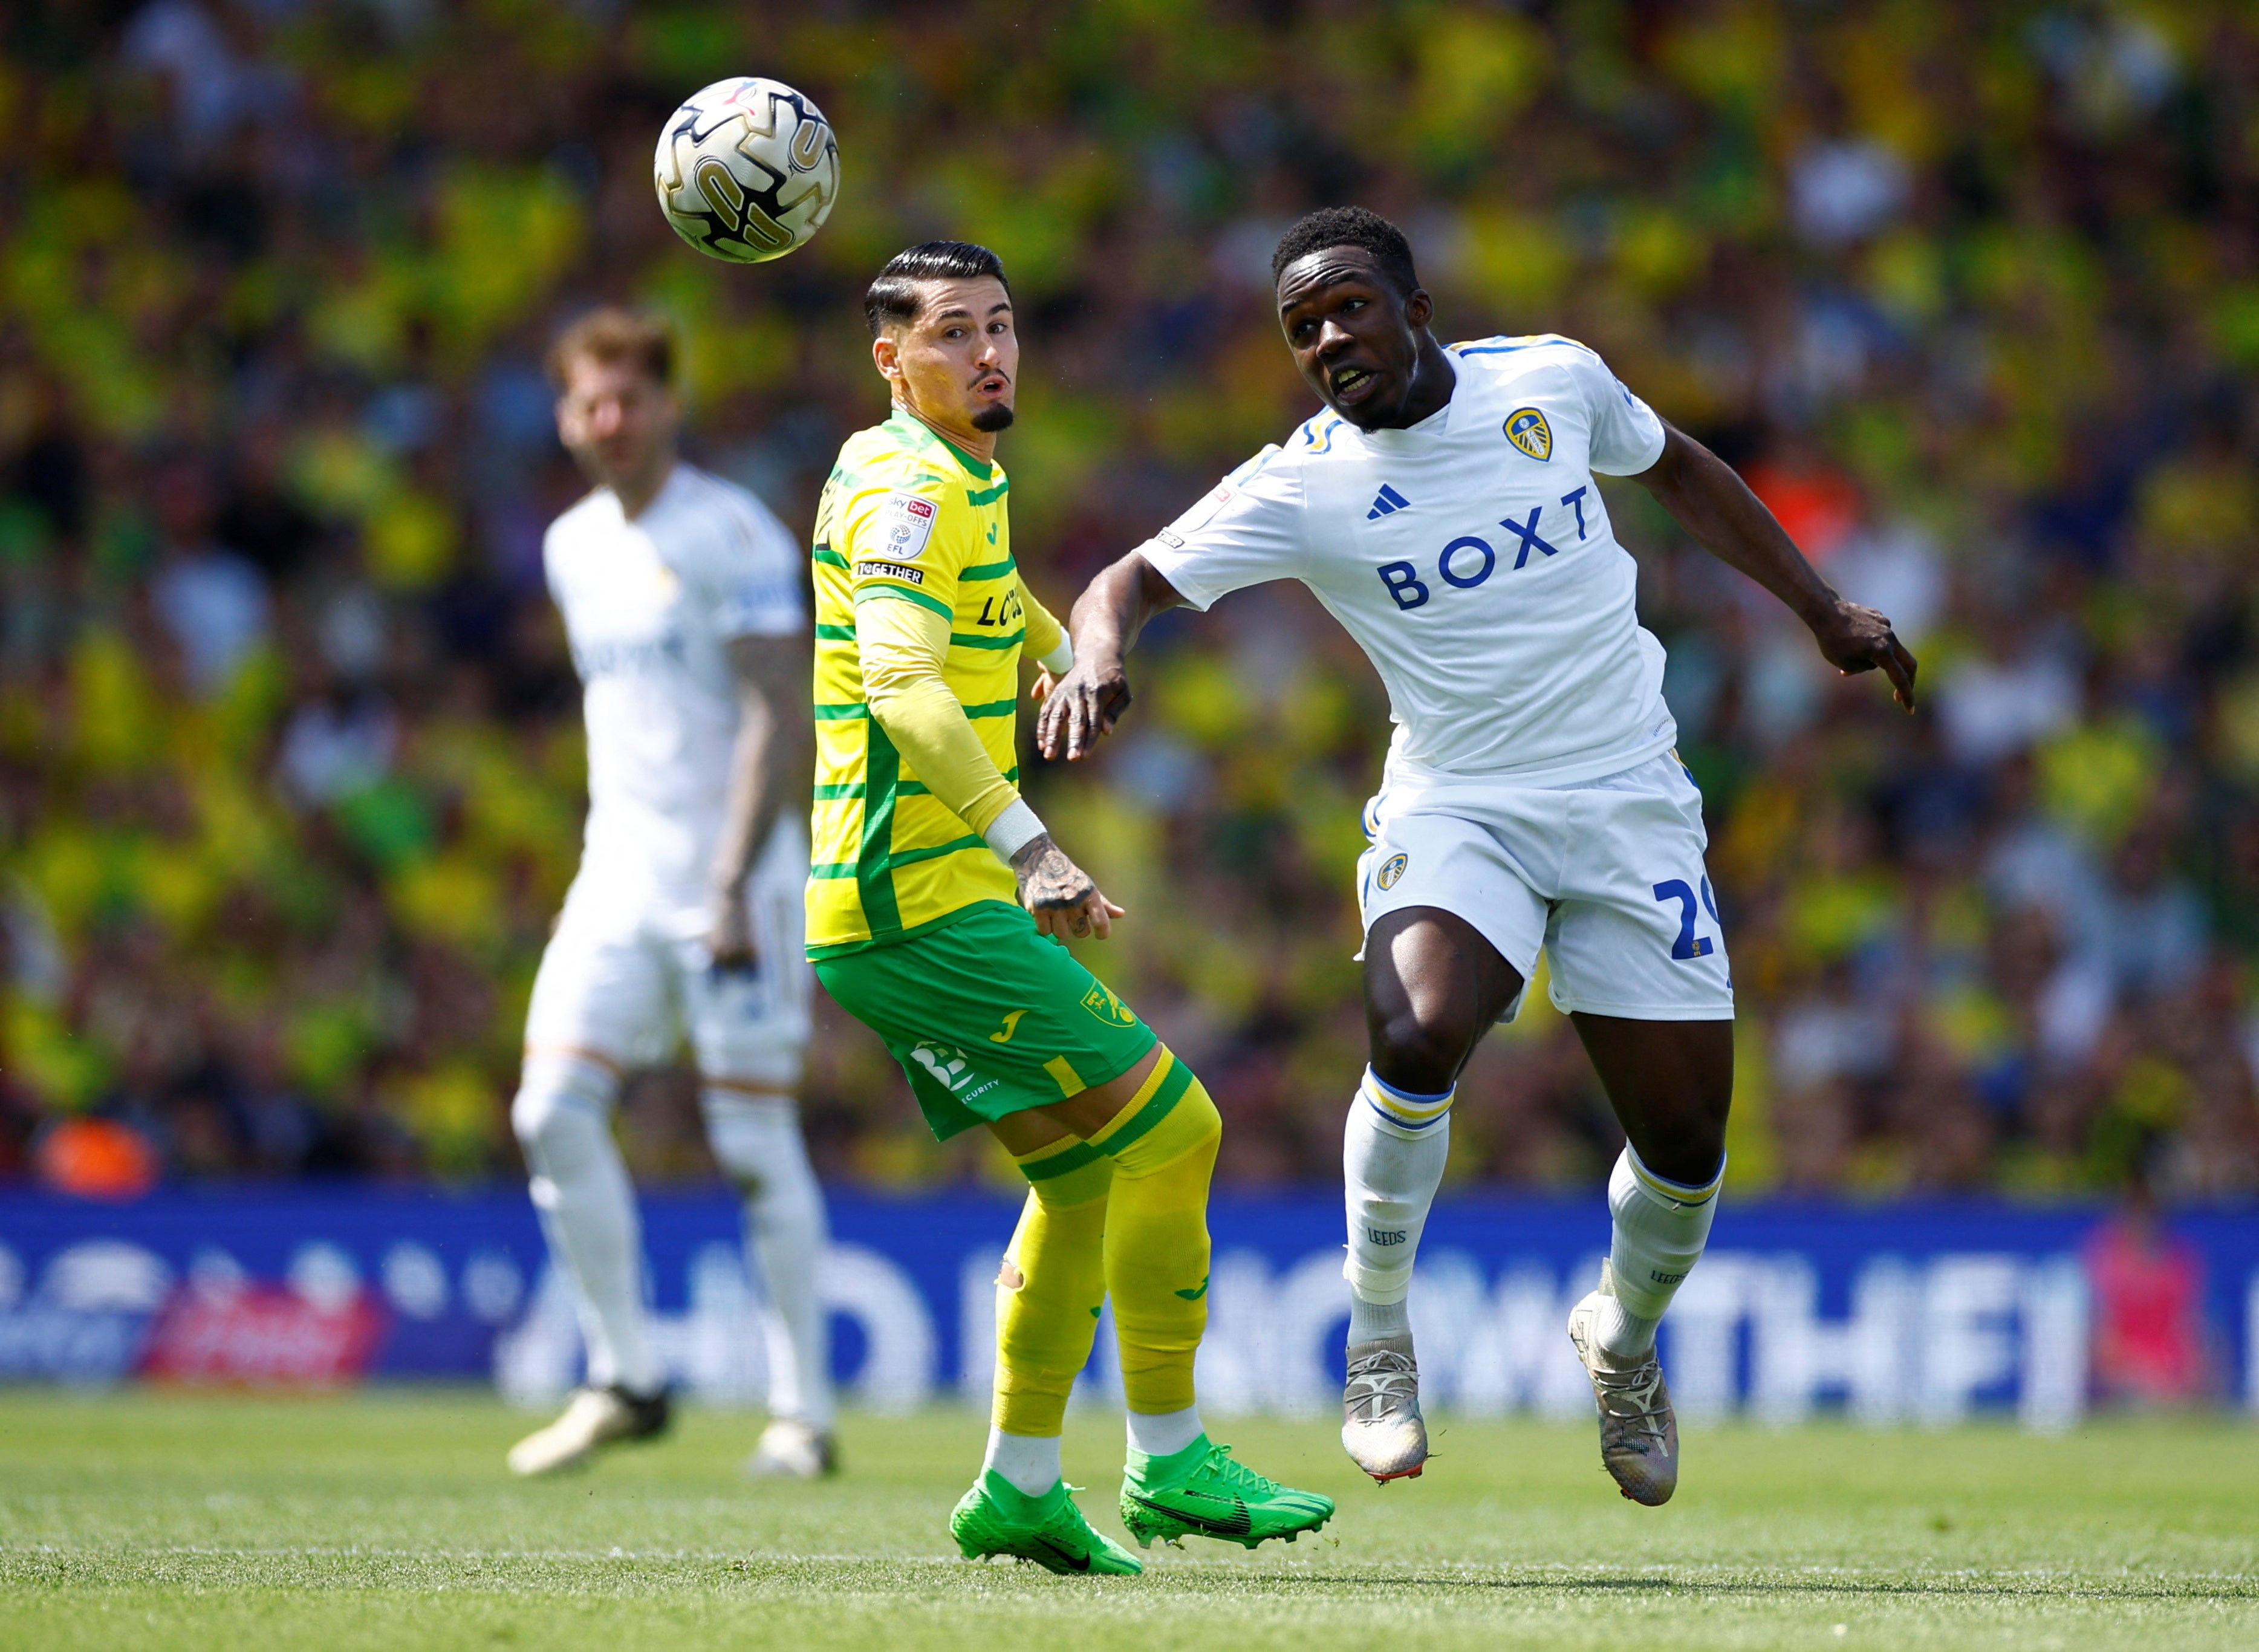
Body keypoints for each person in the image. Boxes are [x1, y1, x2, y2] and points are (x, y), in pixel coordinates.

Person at [1039, 206, 1917, 1506]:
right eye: (1301, 329)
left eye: (1346, 307)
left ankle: (1617, 1336)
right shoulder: (1305, 480)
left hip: (1626, 799)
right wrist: (1098, 654)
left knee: (1683, 1147)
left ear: (1414, 306)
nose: (1328, 339)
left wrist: (1820, 609)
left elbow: (1676, 469)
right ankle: (1377, 1332)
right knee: (1415, 1032)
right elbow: (1123, 579)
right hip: (1459, 805)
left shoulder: (1547, 383)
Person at [809, 241, 1334, 1574]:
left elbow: (985, 608)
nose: (985, 352)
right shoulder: (908, 491)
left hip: (914, 900)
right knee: (1176, 1129)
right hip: (915, 899)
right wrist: (1032, 845)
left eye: (999, 326)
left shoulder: (960, 477)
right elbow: (903, 687)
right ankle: (1167, 1461)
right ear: (890, 361)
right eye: (946, 335)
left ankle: (1019, 1487)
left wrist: (1061, 650)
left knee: (1085, 1170)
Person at [504, 310, 836, 1480]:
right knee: (548, 1111)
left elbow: (775, 711)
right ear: (564, 417)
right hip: (615, 875)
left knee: (751, 1136)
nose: (609, 419)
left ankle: (802, 1412)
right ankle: (625, 1377)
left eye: (629, 398)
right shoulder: (567, 545)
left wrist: (732, 876)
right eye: (589, 401)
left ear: (666, 406)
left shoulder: (730, 532)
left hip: (736, 877)